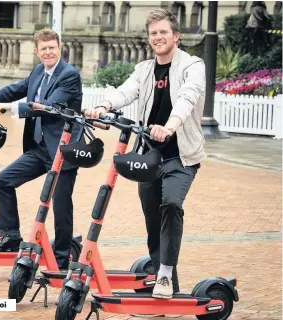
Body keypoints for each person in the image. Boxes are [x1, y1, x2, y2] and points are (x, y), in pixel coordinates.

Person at [84, 9, 206, 299]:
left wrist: (170, 126)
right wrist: (103, 107)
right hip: (149, 155)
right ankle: (165, 281)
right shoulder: (144, 70)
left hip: (181, 155)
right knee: (152, 218)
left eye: (163, 32)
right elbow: (125, 92)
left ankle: (164, 273)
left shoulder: (192, 65)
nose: (158, 37)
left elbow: (188, 97)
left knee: (171, 204)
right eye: (153, 33)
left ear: (176, 36)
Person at [0, 28, 83, 271]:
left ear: (60, 48)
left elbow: (47, 106)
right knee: (3, 180)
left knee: (60, 204)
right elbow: (16, 88)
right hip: (39, 149)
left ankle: (62, 258)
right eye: (43, 48)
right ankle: (11, 235)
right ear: (36, 51)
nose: (48, 52)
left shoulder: (69, 75)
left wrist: (11, 109)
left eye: (52, 48)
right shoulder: (38, 71)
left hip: (62, 150)